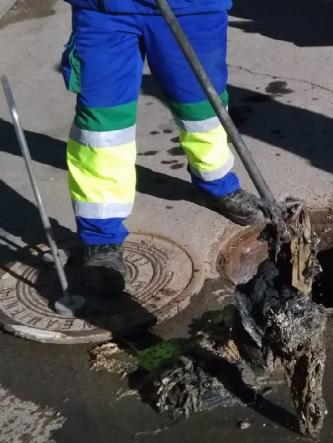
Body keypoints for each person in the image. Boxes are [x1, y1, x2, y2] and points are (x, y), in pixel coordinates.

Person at [60, 0, 265, 295]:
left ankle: (216, 182)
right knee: (103, 130)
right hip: (104, 11)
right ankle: (100, 235)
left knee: (203, 111)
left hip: (192, 8)